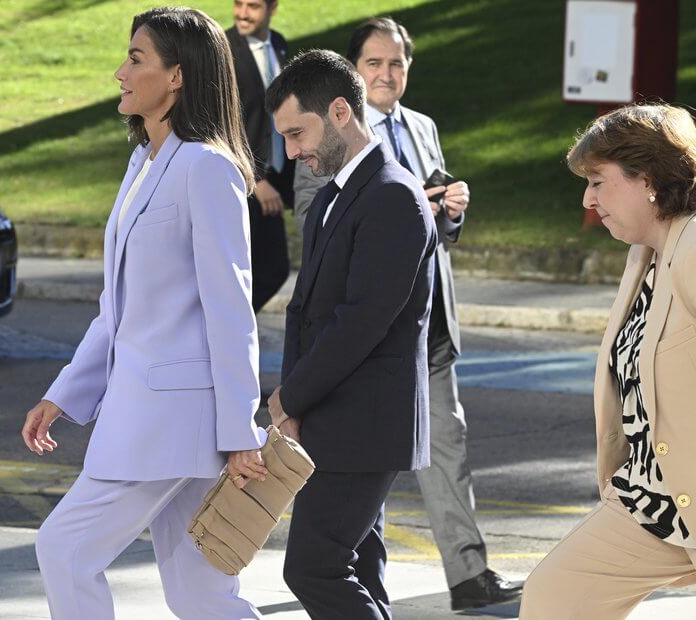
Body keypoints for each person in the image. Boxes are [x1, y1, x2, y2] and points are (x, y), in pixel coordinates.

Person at [22, 8, 266, 619]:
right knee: (201, 597)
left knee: (64, 550)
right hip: (162, 421)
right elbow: (117, 306)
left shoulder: (207, 168)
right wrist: (66, 392)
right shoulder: (145, 165)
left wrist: (241, 431)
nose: (119, 72)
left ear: (177, 75)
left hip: (170, 424)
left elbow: (230, 307)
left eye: (135, 59)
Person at [292, 18, 521, 609]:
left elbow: (432, 231)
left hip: (428, 327)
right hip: (365, 337)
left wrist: (449, 213)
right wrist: (412, 204)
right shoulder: (322, 128)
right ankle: (369, 592)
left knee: (447, 449)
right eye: (375, 63)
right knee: (365, 487)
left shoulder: (422, 127)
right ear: (354, 74)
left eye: (397, 64)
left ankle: (468, 574)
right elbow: (315, 213)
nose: (387, 74)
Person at [265, 49, 436, 619]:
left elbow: (360, 322)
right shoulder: (332, 199)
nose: (291, 152)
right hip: (333, 420)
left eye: (297, 133)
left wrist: (291, 396)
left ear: (340, 111)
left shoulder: (393, 195)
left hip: (363, 424)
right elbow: (306, 313)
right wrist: (293, 406)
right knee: (359, 571)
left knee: (312, 567)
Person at [520, 103, 696, 617]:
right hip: (653, 501)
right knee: (556, 596)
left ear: (647, 179)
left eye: (598, 181)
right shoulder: (646, 253)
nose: (588, 199)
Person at [225, 0, 292, 313]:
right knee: (267, 269)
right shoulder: (222, 50)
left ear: (272, 7)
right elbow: (220, 125)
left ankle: (228, 335)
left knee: (270, 269)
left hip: (276, 179)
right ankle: (225, 334)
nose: (242, 13)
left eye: (253, 5)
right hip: (239, 182)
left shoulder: (278, 45)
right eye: (238, 4)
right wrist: (257, 179)